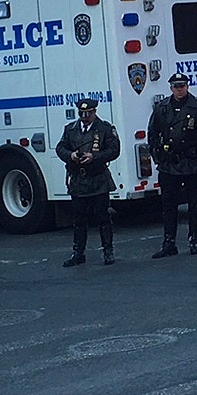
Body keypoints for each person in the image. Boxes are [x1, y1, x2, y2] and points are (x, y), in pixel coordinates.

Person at [147, 71, 197, 258]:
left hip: (193, 163)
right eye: (176, 86)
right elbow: (152, 133)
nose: (179, 89)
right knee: (168, 206)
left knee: (194, 204)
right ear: (171, 87)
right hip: (169, 164)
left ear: (187, 86)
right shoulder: (162, 107)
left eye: (182, 86)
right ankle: (169, 242)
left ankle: (194, 239)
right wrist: (158, 156)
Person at [58, 97, 120, 267]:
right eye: (82, 113)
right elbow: (60, 148)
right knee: (79, 219)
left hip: (98, 178)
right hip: (78, 179)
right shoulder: (70, 129)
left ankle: (108, 251)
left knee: (102, 217)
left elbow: (114, 150)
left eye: (88, 113)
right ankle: (78, 253)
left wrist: (95, 157)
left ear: (94, 112)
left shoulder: (105, 128)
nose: (85, 116)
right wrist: (71, 156)